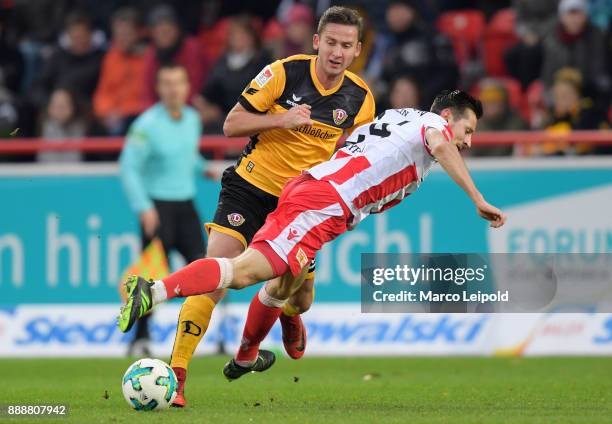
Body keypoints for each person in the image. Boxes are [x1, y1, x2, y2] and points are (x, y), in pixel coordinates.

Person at [118, 89, 507, 379]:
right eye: (467, 129)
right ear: (447, 115)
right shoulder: (434, 127)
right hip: (322, 202)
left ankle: (247, 355)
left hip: (321, 200)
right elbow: (441, 144)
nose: (468, 141)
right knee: (245, 272)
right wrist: (477, 197)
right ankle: (152, 291)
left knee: (296, 293)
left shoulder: (400, 116)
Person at [164, 6, 375, 407]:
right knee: (216, 278)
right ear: (316, 41)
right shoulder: (283, 73)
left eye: (346, 46)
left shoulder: (361, 99)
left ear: (356, 50)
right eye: (330, 42)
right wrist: (280, 122)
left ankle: (288, 313)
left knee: (301, 300)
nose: (336, 52)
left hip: (301, 204)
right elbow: (231, 124)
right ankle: (177, 375)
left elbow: (354, 157)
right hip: (249, 188)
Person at [119, 63, 209, 356]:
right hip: (158, 207)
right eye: (167, 83)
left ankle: (203, 334)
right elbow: (129, 167)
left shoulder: (192, 119)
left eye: (178, 82)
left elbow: (188, 157)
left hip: (186, 205)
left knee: (204, 269)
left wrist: (204, 169)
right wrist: (144, 208)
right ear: (159, 89)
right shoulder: (146, 125)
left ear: (187, 87)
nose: (173, 89)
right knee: (152, 276)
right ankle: (141, 337)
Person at [93, 7, 148, 136]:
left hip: (136, 115)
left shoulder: (148, 58)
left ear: (138, 33)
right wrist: (106, 112)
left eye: (126, 34)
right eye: (118, 34)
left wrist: (122, 112)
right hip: (112, 116)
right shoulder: (111, 57)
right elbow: (103, 92)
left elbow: (146, 97)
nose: (121, 39)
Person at [142, 4, 208, 106]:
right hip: (160, 109)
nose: (164, 35)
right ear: (152, 33)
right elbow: (148, 91)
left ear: (177, 29)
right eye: (160, 31)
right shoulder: (151, 53)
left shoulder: (192, 48)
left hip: (190, 107)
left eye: (168, 30)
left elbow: (196, 86)